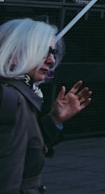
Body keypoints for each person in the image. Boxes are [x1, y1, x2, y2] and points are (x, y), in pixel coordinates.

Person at [1, 18, 94, 193]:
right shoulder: (11, 98)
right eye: (43, 51)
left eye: (53, 52)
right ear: (13, 54)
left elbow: (25, 149)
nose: (51, 60)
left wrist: (54, 120)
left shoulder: (20, 94)